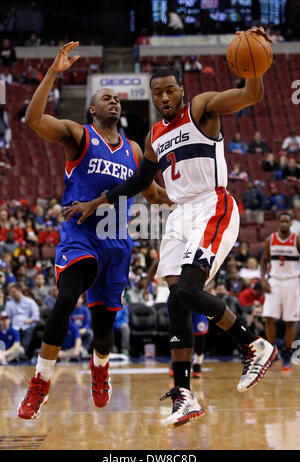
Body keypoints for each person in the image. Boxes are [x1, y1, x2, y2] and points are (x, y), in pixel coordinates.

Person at [65, 27, 278, 427]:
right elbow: (139, 181)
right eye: (156, 93)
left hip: (211, 204)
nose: (163, 98)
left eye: (169, 90)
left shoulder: (200, 109)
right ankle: (185, 396)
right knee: (175, 301)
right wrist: (100, 200)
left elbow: (251, 95)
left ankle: (255, 344)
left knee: (189, 291)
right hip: (179, 215)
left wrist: (257, 65)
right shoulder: (152, 136)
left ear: (180, 89)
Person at [17, 41, 173, 421]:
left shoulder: (136, 150)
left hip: (118, 243)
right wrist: (53, 72)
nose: (114, 101)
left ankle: (100, 368)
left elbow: (153, 194)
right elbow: (33, 120)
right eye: (106, 97)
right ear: (92, 108)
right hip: (81, 232)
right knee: (67, 296)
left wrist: (191, 199)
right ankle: (40, 383)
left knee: (104, 331)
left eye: (117, 98)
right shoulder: (79, 135)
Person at [260, 212, 300, 371]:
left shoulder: (296, 239)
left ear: (290, 223)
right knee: (269, 317)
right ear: (278, 222)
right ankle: (272, 352)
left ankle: (287, 355)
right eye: (282, 221)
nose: (284, 223)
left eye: (287, 221)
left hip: (292, 282)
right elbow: (264, 262)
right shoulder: (270, 240)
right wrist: (263, 280)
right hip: (274, 281)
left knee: (290, 321)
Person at [5, 283, 40, 359]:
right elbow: (8, 317)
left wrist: (30, 320)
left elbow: (36, 316)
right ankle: (15, 353)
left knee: (29, 331)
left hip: (27, 326)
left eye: (13, 292)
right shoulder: (9, 303)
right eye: (11, 292)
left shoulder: (30, 301)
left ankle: (23, 351)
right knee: (9, 330)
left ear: (20, 291)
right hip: (14, 327)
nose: (12, 294)